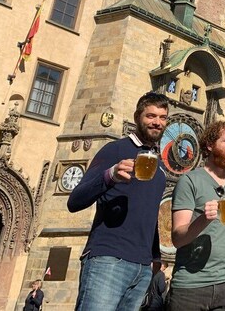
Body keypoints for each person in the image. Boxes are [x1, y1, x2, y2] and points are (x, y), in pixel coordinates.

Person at [69, 92, 170, 311]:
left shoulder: (159, 167)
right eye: (151, 116)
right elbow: (74, 201)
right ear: (137, 117)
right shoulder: (114, 150)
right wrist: (110, 175)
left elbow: (149, 214)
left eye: (162, 118)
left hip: (143, 267)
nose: (157, 122)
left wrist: (154, 258)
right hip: (108, 259)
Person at [169, 120, 225, 311]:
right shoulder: (189, 181)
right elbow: (177, 238)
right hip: (190, 284)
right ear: (209, 145)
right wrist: (203, 220)